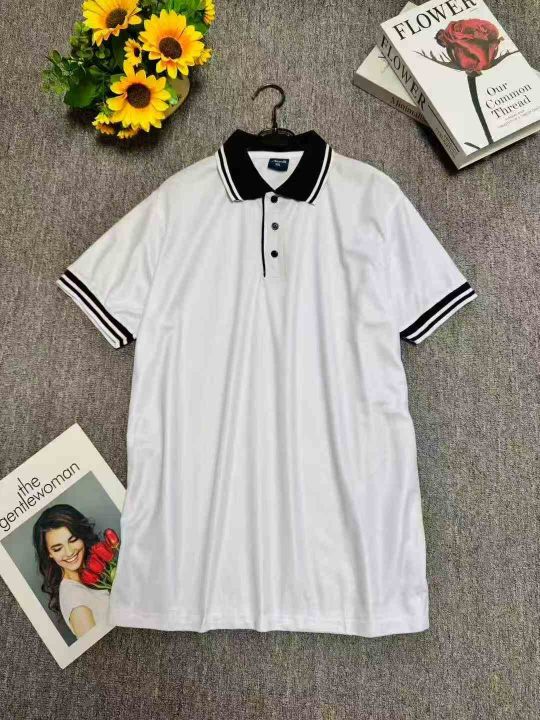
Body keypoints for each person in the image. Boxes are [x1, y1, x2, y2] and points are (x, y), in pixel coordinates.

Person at [32, 504, 110, 639]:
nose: (69, 552)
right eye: (57, 548)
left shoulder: (93, 571)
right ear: (49, 553)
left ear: (82, 536)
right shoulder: (75, 601)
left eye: (73, 540)